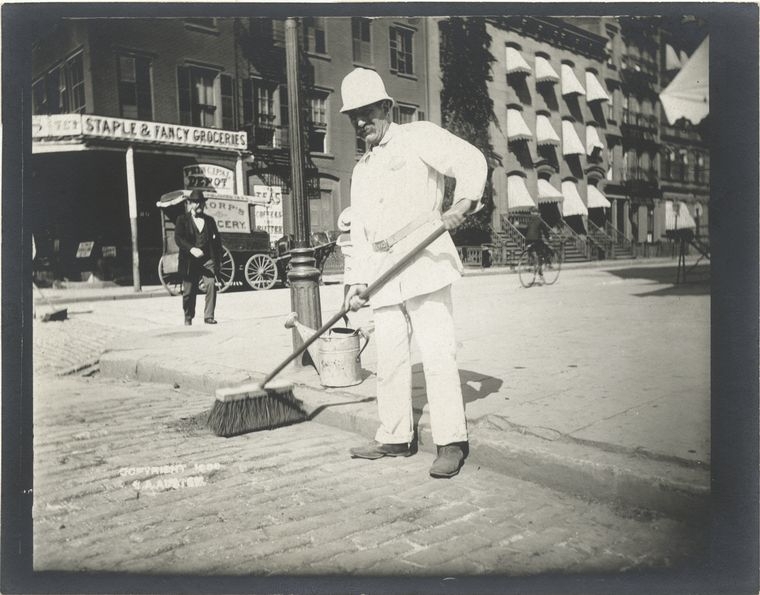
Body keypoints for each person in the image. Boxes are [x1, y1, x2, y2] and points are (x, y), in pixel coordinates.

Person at [340, 67, 487, 478]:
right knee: (389, 356)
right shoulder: (363, 169)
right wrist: (355, 282)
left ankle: (450, 442)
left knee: (438, 353)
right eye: (354, 116)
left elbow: (470, 160)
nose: (361, 122)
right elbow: (361, 233)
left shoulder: (418, 136)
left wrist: (463, 202)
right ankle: (394, 435)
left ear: (386, 107)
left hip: (425, 260)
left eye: (368, 111)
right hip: (383, 270)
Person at [174, 189, 223, 326]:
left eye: (200, 203)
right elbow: (178, 238)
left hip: (206, 260)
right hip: (190, 261)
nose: (198, 205)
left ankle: (209, 316)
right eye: (195, 203)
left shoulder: (209, 221)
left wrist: (217, 261)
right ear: (190, 204)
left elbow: (217, 242)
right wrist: (192, 249)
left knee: (211, 284)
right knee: (189, 292)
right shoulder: (182, 220)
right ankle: (188, 316)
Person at [524, 208, 552, 277]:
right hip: (536, 240)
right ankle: (540, 269)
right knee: (542, 252)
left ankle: (531, 262)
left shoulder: (529, 220)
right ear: (537, 213)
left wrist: (526, 239)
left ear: (531, 213)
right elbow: (545, 230)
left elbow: (525, 230)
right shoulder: (540, 220)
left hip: (528, 240)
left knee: (530, 251)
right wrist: (548, 237)